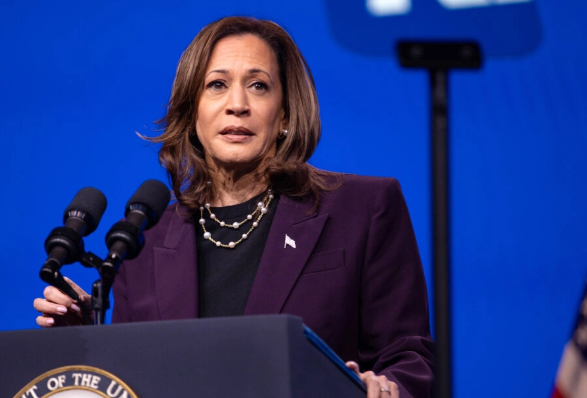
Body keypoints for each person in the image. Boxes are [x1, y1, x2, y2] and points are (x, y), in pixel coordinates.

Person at [34, 16, 434, 398]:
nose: (237, 104)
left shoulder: (362, 209)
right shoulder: (142, 243)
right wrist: (88, 341)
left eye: (258, 86)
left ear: (285, 115)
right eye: (216, 85)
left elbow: (410, 359)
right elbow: (135, 381)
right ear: (192, 114)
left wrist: (382, 387)